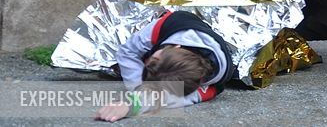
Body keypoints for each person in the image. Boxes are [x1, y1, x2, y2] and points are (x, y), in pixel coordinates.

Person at [95, 10, 234, 121]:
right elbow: (127, 51)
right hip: (178, 22)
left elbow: (167, 99)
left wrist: (132, 104)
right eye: (154, 58)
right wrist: (138, 88)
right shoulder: (167, 24)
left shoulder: (210, 89)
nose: (149, 60)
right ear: (177, 46)